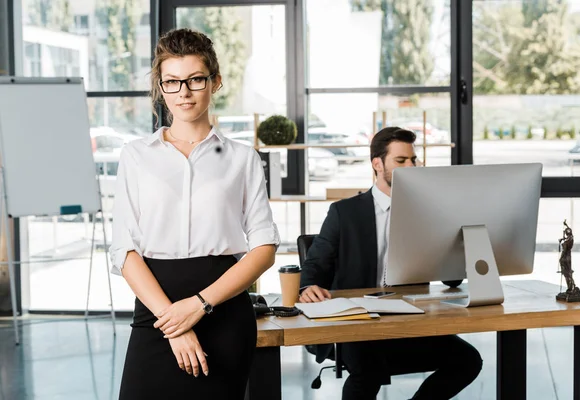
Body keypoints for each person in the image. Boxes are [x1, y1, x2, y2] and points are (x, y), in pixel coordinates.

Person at [110, 28, 280, 400]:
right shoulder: (136, 155)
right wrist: (175, 322)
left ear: (215, 82)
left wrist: (200, 305)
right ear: (161, 87)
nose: (183, 92)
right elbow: (124, 249)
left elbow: (264, 246)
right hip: (157, 309)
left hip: (223, 310)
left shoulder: (242, 158)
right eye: (172, 82)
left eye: (195, 79)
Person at [299, 127, 482, 400]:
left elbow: (450, 277)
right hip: (358, 323)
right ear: (377, 164)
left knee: (468, 360)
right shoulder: (345, 212)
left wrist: (456, 244)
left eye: (413, 160)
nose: (411, 166)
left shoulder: (426, 212)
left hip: (409, 320)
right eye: (401, 161)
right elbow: (317, 261)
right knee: (368, 370)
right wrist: (309, 285)